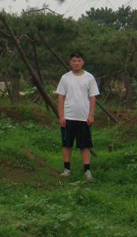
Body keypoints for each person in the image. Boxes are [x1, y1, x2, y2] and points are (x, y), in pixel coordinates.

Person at [55, 52, 99, 180]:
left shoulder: (89, 78)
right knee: (67, 144)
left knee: (84, 145)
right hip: (68, 117)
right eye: (74, 60)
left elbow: (92, 98)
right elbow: (61, 98)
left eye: (79, 60)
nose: (76, 63)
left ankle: (87, 171)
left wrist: (91, 115)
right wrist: (61, 116)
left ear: (83, 62)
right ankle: (67, 169)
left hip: (84, 118)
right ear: (70, 62)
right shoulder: (65, 78)